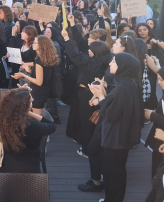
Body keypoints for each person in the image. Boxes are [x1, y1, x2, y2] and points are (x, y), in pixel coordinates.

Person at [88, 53, 142, 202]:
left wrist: (101, 97)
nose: (110, 63)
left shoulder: (120, 87)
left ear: (123, 66)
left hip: (115, 137)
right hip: (124, 135)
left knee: (112, 172)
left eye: (114, 61)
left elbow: (111, 115)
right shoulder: (130, 82)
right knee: (117, 170)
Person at [62, 25, 111, 158]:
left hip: (87, 94)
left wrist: (66, 38)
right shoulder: (101, 61)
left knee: (87, 122)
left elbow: (75, 55)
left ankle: (87, 150)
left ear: (94, 51)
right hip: (90, 93)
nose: (87, 50)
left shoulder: (92, 63)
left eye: (90, 49)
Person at [0, 87, 57, 173]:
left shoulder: (3, 118)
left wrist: (23, 105)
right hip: (28, 167)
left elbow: (13, 99)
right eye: (31, 102)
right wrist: (29, 112)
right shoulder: (31, 126)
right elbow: (52, 126)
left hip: (6, 162)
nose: (33, 100)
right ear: (24, 106)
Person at [12, 35, 60, 115]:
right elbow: (42, 75)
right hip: (44, 91)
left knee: (38, 119)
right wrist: (29, 70)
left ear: (41, 45)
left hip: (38, 92)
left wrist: (23, 75)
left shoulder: (39, 61)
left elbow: (38, 81)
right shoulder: (46, 58)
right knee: (42, 116)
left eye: (35, 43)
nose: (33, 44)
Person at [145, 64, 164, 177]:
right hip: (163, 138)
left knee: (160, 171)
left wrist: (152, 115)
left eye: (162, 80)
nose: (159, 82)